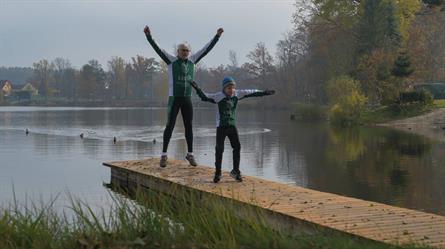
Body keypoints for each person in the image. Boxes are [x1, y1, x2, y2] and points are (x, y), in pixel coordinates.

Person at [143, 26, 224, 168]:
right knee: (170, 126)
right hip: (174, 98)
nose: (185, 53)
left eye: (187, 51)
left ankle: (190, 154)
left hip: (187, 99)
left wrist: (217, 36)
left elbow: (207, 49)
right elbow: (158, 49)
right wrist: (149, 36)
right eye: (183, 50)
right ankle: (163, 155)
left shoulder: (193, 61)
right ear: (178, 52)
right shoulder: (171, 61)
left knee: (189, 127)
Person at [190, 77, 275, 183]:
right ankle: (218, 173)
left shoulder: (237, 94)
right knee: (219, 150)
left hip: (232, 126)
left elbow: (252, 92)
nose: (231, 90)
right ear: (224, 88)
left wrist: (264, 93)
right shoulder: (218, 96)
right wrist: (197, 89)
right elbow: (204, 97)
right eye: (228, 88)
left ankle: (235, 171)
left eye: (232, 88)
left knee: (237, 147)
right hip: (221, 126)